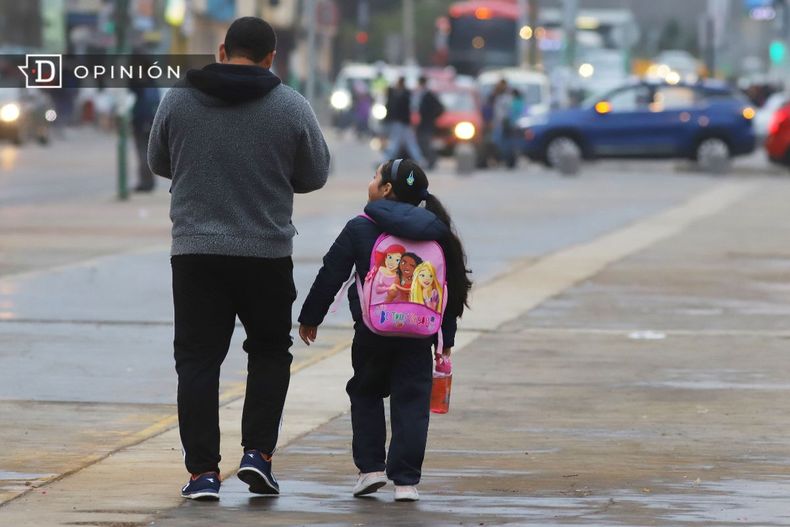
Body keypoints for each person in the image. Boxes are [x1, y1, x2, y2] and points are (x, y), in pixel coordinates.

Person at [147, 16, 330, 501]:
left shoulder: (177, 99)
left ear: (222, 49)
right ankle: (258, 457)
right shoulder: (290, 104)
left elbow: (158, 162)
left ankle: (202, 474)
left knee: (197, 360)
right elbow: (315, 173)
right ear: (272, 57)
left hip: (194, 253)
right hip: (266, 253)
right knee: (269, 351)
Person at [297, 159, 472, 502]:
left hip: (372, 332)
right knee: (412, 401)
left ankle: (371, 470)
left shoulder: (362, 226)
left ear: (387, 189)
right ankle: (406, 483)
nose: (371, 181)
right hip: (420, 334)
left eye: (375, 176)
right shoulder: (436, 230)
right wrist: (445, 339)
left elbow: (331, 273)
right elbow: (450, 288)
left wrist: (311, 316)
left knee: (365, 393)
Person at [382, 78, 426, 164]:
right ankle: (420, 160)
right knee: (406, 143)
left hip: (402, 123)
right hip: (402, 123)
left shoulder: (404, 95)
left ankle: (385, 160)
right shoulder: (401, 94)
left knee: (398, 142)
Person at [129, 78, 161, 192]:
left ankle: (146, 182)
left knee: (143, 152)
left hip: (142, 122)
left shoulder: (140, 86)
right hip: (150, 121)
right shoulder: (152, 84)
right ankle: (148, 181)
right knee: (146, 152)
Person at [415, 76, 444, 169]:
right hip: (423, 123)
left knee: (425, 142)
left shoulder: (429, 95)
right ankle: (429, 159)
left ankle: (432, 160)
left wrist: (432, 116)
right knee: (421, 141)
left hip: (427, 123)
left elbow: (440, 108)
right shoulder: (421, 94)